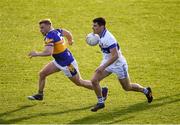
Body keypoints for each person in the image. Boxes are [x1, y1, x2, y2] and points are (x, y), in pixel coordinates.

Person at [27, 19, 108, 101]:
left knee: (79, 82)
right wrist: (70, 40)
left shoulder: (50, 36)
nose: (41, 30)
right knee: (42, 74)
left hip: (68, 64)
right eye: (40, 28)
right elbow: (67, 33)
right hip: (59, 61)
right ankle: (40, 94)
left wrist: (36, 54)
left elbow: (48, 52)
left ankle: (102, 91)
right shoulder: (57, 31)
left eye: (42, 28)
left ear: (49, 26)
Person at [90, 17, 153, 112]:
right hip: (107, 61)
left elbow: (115, 56)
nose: (93, 27)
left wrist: (102, 67)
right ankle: (100, 102)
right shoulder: (98, 35)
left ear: (102, 26)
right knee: (94, 80)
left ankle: (146, 91)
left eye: (95, 26)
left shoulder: (109, 38)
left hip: (118, 64)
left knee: (127, 87)